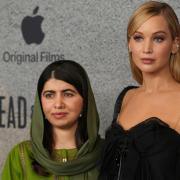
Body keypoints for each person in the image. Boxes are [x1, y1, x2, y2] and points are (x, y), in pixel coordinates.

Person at [100, 1, 180, 180]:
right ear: (129, 44)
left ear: (175, 44)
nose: (146, 49)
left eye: (158, 38)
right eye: (138, 38)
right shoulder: (126, 97)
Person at [1, 60, 104, 180]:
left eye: (68, 94)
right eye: (49, 95)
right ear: (40, 103)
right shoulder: (22, 156)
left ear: (85, 101)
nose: (58, 104)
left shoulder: (108, 153)